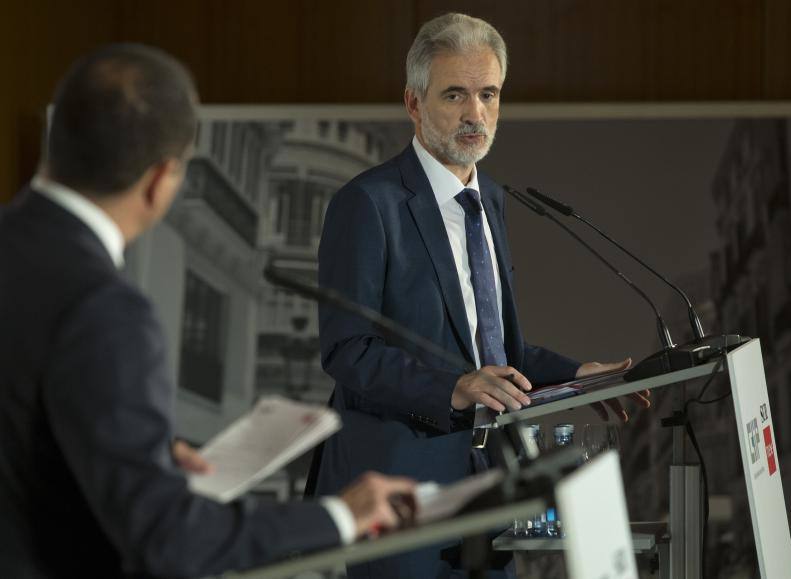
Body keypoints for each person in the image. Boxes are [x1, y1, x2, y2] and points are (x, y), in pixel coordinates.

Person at [0, 44, 416, 579]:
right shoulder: (105, 309)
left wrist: (131, 453)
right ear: (162, 180)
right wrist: (341, 514)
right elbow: (168, 542)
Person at [309, 13, 650, 579]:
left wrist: (576, 375)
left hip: (489, 486)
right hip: (398, 494)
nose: (476, 114)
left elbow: (492, 349)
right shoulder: (368, 204)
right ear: (414, 104)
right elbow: (348, 350)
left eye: (489, 94)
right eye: (455, 95)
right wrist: (454, 388)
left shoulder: (489, 200)